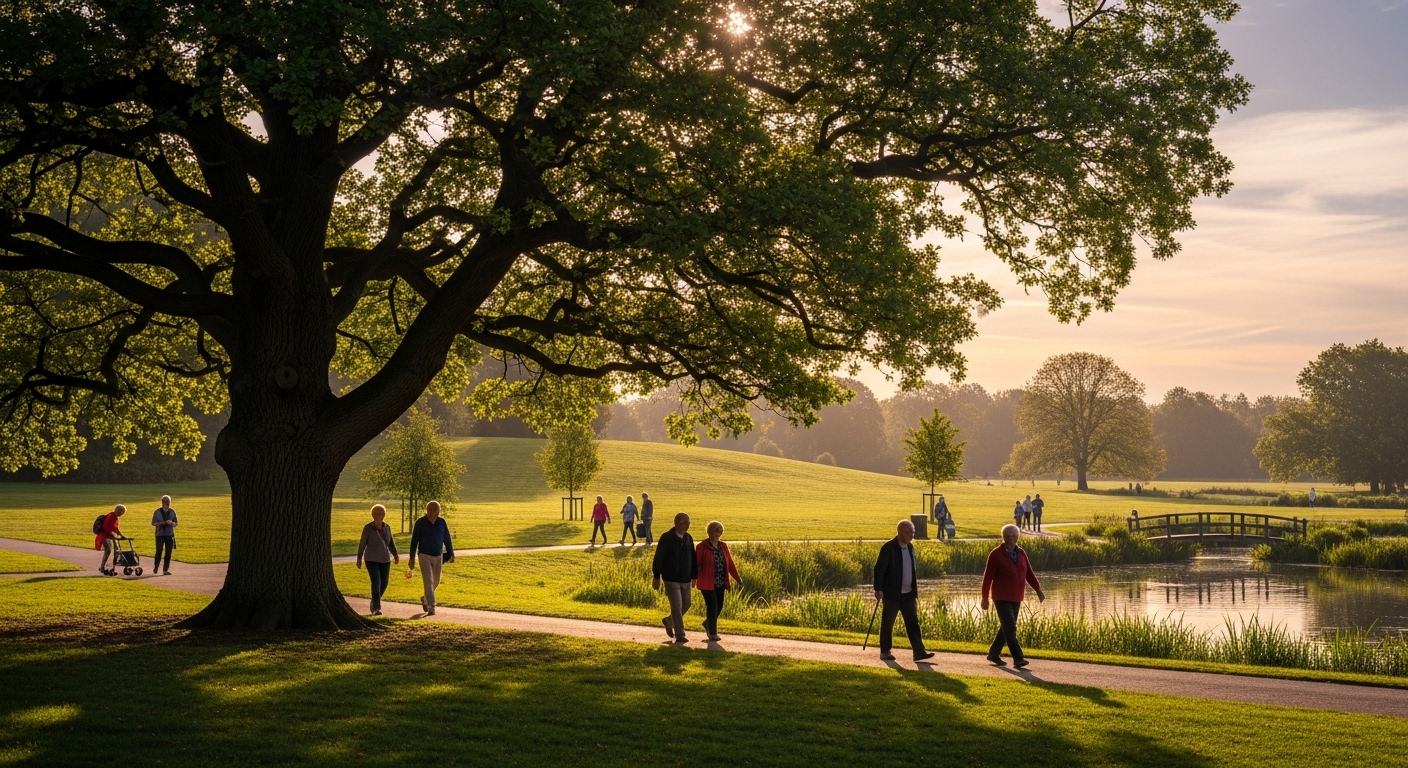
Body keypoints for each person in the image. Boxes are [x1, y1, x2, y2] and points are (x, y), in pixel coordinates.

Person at [981, 523, 1045, 668]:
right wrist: (984, 598)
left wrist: (1038, 590)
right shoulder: (996, 554)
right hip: (1001, 597)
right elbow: (987, 578)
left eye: (1013, 536)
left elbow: (1029, 573)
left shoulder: (1021, 553)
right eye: (1007, 536)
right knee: (1010, 627)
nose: (1010, 539)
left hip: (1016, 596)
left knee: (1006, 627)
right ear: (1003, 538)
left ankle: (993, 653)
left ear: (1017, 537)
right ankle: (1018, 658)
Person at [872, 519, 935, 662]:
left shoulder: (910, 547)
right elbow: (879, 570)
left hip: (908, 594)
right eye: (908, 532)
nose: (911, 535)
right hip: (892, 594)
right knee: (888, 623)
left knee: (913, 623)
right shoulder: (888, 548)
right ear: (900, 532)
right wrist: (878, 589)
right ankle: (885, 651)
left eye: (913, 532)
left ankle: (919, 651)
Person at [652, 512, 697, 643]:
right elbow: (659, 557)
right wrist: (656, 576)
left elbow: (692, 558)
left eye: (688, 523)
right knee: (676, 606)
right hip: (671, 578)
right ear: (676, 523)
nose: (687, 525)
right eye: (684, 522)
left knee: (687, 604)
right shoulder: (666, 537)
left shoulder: (688, 538)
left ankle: (669, 621)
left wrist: (694, 576)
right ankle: (680, 634)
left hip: (686, 578)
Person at [695, 521, 742, 642]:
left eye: (719, 530)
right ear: (709, 532)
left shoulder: (723, 546)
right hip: (707, 583)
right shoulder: (701, 546)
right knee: (712, 606)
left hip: (721, 581)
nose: (717, 533)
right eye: (714, 530)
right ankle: (713, 633)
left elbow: (730, 563)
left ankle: (708, 623)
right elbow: (696, 564)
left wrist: (738, 578)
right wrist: (693, 579)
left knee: (719, 606)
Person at [407, 500, 455, 616]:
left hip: (438, 555)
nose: (431, 513)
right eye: (429, 510)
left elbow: (447, 538)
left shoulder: (441, 522)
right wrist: (412, 558)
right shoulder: (420, 523)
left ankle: (425, 598)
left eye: (434, 511)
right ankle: (431, 607)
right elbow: (414, 541)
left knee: (436, 580)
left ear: (438, 512)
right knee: (428, 581)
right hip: (424, 555)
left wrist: (451, 553)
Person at [357, 504, 400, 616]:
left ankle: (374, 601)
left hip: (385, 559)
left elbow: (390, 543)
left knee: (384, 583)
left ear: (384, 515)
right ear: (373, 515)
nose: (379, 515)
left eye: (381, 513)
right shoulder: (368, 528)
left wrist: (395, 555)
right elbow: (362, 544)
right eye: (377, 513)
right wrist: (359, 558)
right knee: (376, 582)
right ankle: (376, 608)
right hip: (371, 559)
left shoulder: (387, 527)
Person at [150, 495, 177, 575]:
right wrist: (163, 523)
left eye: (168, 501)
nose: (166, 503)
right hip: (160, 534)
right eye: (165, 501)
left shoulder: (172, 512)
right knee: (159, 551)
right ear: (162, 502)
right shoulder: (157, 512)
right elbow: (153, 523)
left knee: (168, 552)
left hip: (169, 534)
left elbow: (176, 523)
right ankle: (156, 567)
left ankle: (165, 569)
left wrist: (171, 523)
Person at [95, 504, 125, 574]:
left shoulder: (115, 517)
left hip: (108, 535)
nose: (122, 514)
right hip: (104, 536)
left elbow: (115, 528)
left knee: (116, 550)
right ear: (120, 511)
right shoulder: (111, 516)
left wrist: (121, 535)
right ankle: (102, 567)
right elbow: (106, 527)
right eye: (122, 512)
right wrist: (112, 536)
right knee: (108, 550)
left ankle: (112, 568)